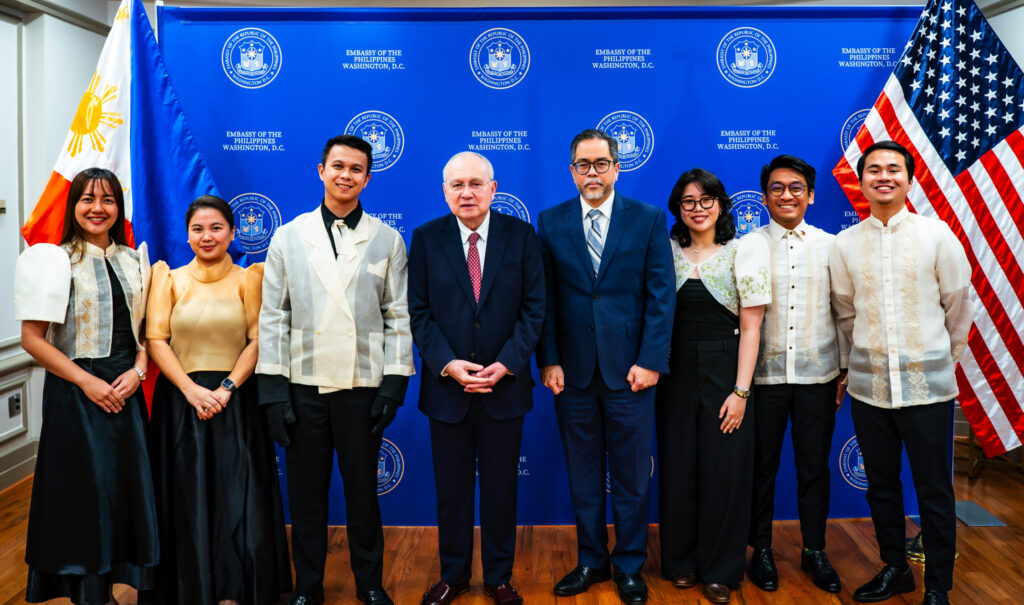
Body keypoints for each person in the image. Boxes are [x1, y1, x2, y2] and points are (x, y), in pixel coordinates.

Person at [257, 134, 414, 605]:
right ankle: (308, 587)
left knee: (364, 495)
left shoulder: (387, 239)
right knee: (306, 497)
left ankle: (370, 583)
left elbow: (398, 315)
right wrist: (272, 391)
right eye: (338, 166)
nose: (346, 175)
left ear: (368, 177)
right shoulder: (288, 235)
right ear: (320, 170)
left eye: (356, 169)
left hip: (363, 387)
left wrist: (393, 384)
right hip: (302, 386)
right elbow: (273, 316)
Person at [536, 129, 675, 605]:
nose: (592, 173)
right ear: (571, 170)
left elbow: (661, 296)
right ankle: (591, 559)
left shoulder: (649, 219)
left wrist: (652, 360)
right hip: (571, 373)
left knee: (634, 476)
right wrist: (549, 358)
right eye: (583, 165)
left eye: (600, 164)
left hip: (632, 373)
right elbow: (546, 298)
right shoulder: (550, 221)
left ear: (617, 167)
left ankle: (630, 565)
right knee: (584, 472)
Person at [830, 141, 972, 605]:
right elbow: (847, 314)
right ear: (863, 180)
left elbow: (957, 305)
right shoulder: (846, 244)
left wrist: (941, 356)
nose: (883, 176)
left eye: (894, 169)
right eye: (874, 170)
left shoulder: (937, 236)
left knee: (934, 491)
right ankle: (895, 568)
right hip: (870, 389)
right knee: (882, 487)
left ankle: (938, 587)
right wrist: (849, 370)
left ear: (910, 179)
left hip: (928, 388)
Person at [15, 167, 158, 605]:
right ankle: (87, 593)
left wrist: (137, 372)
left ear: (119, 207)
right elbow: (31, 340)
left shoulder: (136, 261)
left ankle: (111, 589)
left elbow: (146, 333)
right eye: (87, 199)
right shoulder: (54, 259)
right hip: (75, 391)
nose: (98, 208)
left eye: (108, 199)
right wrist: (87, 382)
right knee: (83, 495)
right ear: (73, 206)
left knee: (121, 493)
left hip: (125, 390)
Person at [409, 151, 544, 605]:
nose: (466, 192)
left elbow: (533, 310)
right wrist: (449, 364)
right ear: (444, 191)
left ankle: (500, 577)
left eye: (475, 183)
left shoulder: (522, 237)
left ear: (493, 188)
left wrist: (505, 364)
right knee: (452, 491)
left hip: (504, 387)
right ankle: (454, 575)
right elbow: (419, 313)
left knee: (502, 489)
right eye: (456, 185)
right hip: (448, 388)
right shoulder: (426, 239)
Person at [146, 195, 291, 605]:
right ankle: (190, 587)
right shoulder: (167, 279)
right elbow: (156, 339)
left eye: (216, 228)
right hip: (181, 402)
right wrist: (191, 390)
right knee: (187, 496)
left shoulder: (250, 278)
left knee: (237, 496)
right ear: (187, 234)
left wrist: (226, 388)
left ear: (232, 232)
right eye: (198, 229)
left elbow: (258, 340)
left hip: (237, 401)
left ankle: (235, 588)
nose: (206, 236)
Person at [656, 168, 770, 604]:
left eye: (706, 200)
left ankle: (721, 569)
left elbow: (753, 326)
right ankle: (680, 561)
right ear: (678, 209)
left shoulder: (744, 250)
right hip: (674, 373)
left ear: (721, 205)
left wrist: (741, 392)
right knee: (678, 467)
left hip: (728, 370)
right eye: (688, 201)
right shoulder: (664, 251)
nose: (698, 209)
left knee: (726, 472)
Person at [745, 155, 844, 594]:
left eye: (796, 187)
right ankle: (760, 549)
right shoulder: (747, 245)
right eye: (778, 188)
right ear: (765, 196)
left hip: (817, 377)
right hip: (762, 380)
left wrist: (843, 370)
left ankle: (814, 550)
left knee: (813, 468)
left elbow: (844, 312)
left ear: (811, 195)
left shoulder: (831, 246)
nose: (787, 195)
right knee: (760, 468)